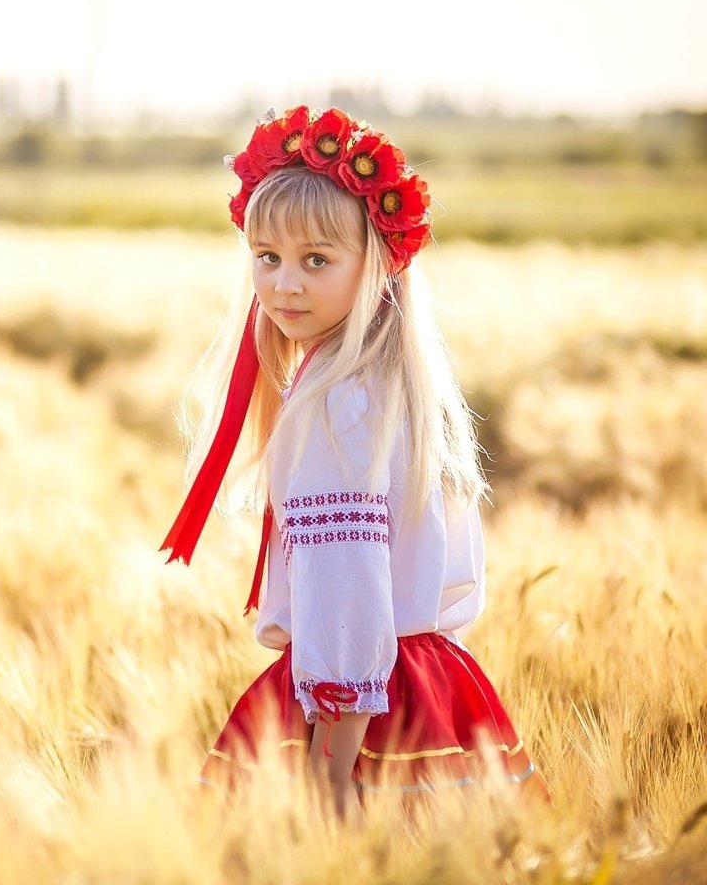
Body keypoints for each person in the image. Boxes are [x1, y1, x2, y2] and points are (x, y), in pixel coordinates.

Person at [159, 104, 551, 817]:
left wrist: (331, 779)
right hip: (433, 690)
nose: (283, 285)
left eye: (316, 260)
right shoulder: (389, 387)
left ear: (375, 263)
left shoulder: (334, 408)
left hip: (352, 718)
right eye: (267, 258)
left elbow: (346, 592)